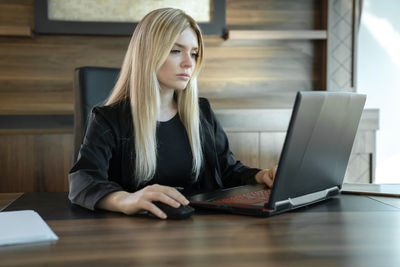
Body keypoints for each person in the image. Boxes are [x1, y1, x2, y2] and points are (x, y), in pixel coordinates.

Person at [68, 8, 276, 219]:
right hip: (135, 236)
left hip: (202, 229)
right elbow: (83, 180)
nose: (189, 63)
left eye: (194, 53)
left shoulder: (201, 113)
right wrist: (126, 199)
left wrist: (262, 176)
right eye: (176, 51)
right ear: (148, 54)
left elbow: (227, 170)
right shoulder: (109, 119)